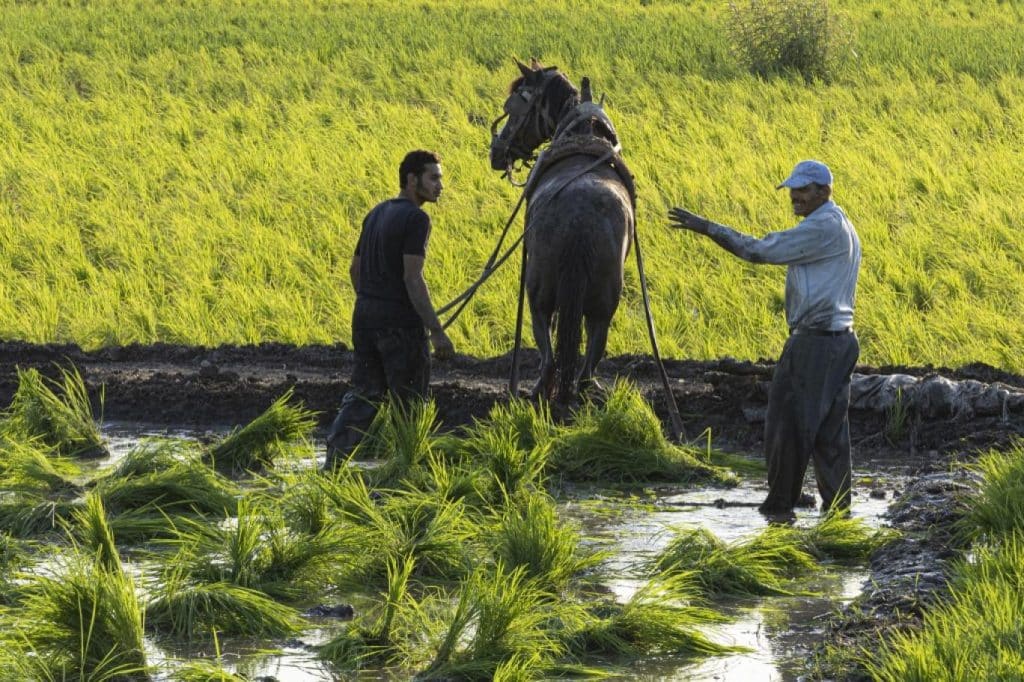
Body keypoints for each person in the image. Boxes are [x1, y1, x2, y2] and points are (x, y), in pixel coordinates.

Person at [668, 160, 861, 521]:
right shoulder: (842, 225)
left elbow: (758, 250)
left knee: (787, 428)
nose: (795, 196)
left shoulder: (821, 229)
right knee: (829, 435)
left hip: (814, 345)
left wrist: (708, 228)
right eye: (793, 189)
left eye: (803, 190)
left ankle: (779, 513)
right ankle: (838, 517)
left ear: (825, 192)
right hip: (840, 341)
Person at [323, 149, 455, 471]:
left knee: (364, 396)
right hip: (400, 327)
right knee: (410, 405)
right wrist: (437, 333)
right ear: (412, 180)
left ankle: (333, 466)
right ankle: (407, 475)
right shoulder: (416, 218)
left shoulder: (376, 213)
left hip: (365, 318)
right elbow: (413, 278)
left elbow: (355, 270)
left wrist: (374, 302)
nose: (440, 185)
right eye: (433, 177)